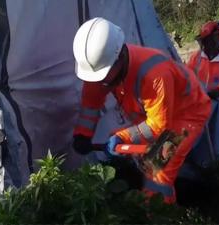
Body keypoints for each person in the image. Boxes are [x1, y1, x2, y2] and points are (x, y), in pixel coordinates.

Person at [71, 17, 211, 204]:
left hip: (187, 114)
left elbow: (159, 127)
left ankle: (161, 214)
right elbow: (91, 102)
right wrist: (83, 134)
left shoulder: (155, 74)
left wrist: (123, 137)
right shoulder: (101, 68)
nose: (100, 83)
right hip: (153, 114)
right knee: (144, 161)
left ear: (120, 56)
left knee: (157, 171)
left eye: (104, 77)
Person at [187, 21, 219, 161]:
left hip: (216, 103)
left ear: (216, 38)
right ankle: (194, 159)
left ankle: (217, 162)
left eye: (208, 41)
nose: (205, 45)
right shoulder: (196, 57)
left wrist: (218, 91)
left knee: (216, 135)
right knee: (194, 135)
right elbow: (187, 76)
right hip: (197, 102)